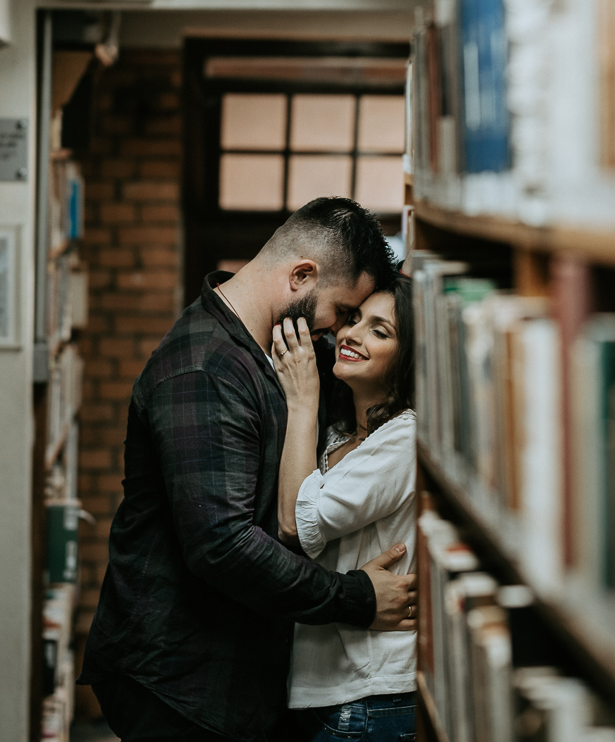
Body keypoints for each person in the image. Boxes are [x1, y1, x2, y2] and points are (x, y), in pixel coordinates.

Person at [78, 199, 417, 742]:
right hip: (182, 678)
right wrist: (351, 597)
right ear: (301, 276)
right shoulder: (206, 368)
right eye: (341, 311)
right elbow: (222, 544)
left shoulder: (273, 351)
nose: (336, 331)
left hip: (231, 667)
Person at [273, 273, 417, 742]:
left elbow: (294, 523)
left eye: (380, 330)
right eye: (353, 319)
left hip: (370, 696)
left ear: (407, 357)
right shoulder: (340, 431)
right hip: (331, 689)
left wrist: (301, 401)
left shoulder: (404, 438)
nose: (352, 334)